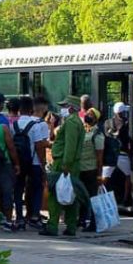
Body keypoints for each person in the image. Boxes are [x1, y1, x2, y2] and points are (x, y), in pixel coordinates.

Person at [41, 98, 85, 237]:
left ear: (71, 107)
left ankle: (52, 225)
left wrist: (66, 163)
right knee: (71, 194)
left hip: (63, 163)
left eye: (64, 106)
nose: (62, 109)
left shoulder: (71, 122)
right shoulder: (76, 122)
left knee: (55, 193)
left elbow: (70, 145)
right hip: (72, 163)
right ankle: (71, 226)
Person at [13, 96, 49, 231]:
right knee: (36, 189)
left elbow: (11, 145)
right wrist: (42, 163)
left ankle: (19, 218)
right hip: (34, 162)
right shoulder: (37, 125)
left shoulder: (14, 125)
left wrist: (15, 163)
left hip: (18, 162)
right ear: (31, 109)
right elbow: (40, 146)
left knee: (18, 189)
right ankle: (34, 216)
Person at [79, 108, 105, 231]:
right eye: (87, 113)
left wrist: (99, 175)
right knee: (81, 196)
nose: (87, 116)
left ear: (96, 119)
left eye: (91, 115)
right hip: (80, 169)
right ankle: (82, 220)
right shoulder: (83, 131)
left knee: (92, 197)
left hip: (91, 170)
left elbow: (100, 158)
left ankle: (94, 223)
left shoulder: (97, 134)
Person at [104, 102, 133, 206]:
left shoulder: (108, 123)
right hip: (123, 155)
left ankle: (100, 197)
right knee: (128, 176)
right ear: (122, 112)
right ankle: (126, 199)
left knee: (104, 178)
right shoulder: (127, 124)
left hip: (111, 155)